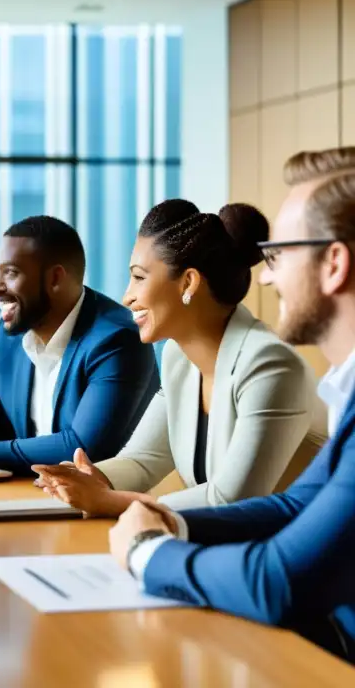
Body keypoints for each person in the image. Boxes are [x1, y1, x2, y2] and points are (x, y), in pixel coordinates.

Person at [109, 147, 355, 662]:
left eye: (279, 255)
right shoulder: (347, 395)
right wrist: (171, 525)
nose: (264, 277)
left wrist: (147, 552)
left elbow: (276, 581)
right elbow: (292, 505)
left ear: (334, 264)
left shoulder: (273, 364)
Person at [33, 200, 326, 515]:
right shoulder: (179, 357)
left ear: (188, 283)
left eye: (139, 277)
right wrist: (87, 477)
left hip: (311, 555)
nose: (126, 296)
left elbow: (231, 501)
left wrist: (110, 501)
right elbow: (143, 460)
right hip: (232, 546)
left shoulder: (270, 366)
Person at [0, 216, 159, 476]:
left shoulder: (117, 339)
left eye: (11, 273)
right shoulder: (10, 335)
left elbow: (82, 448)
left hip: (104, 503)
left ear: (55, 279)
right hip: (31, 491)